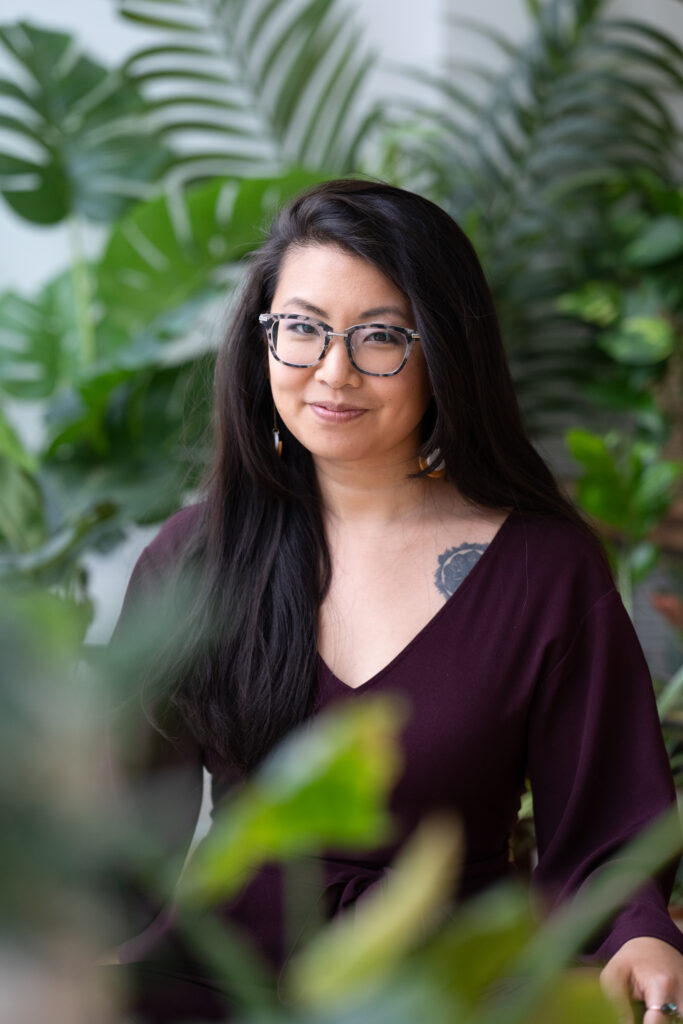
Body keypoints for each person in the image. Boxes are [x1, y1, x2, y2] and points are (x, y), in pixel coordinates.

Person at [107, 178, 683, 1022]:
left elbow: (606, 834)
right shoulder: (196, 556)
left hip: (445, 991)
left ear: (444, 352)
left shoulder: (543, 568)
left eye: (379, 337)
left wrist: (639, 936)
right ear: (261, 338)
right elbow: (122, 823)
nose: (331, 372)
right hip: (214, 983)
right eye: (300, 329)